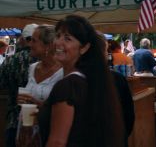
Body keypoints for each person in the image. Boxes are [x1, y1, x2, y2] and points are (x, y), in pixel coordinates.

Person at [38, 15, 124, 146]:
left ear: (84, 48)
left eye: (67, 38)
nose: (58, 42)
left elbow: (57, 142)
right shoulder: (92, 80)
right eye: (58, 35)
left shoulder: (68, 86)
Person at [0, 23, 38, 147]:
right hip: (39, 121)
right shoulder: (44, 59)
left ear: (22, 39)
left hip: (14, 119)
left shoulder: (11, 61)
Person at [18, 25, 63, 106]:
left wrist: (38, 104)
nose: (30, 44)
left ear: (48, 46)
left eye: (34, 41)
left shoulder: (63, 72)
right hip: (27, 117)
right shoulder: (32, 68)